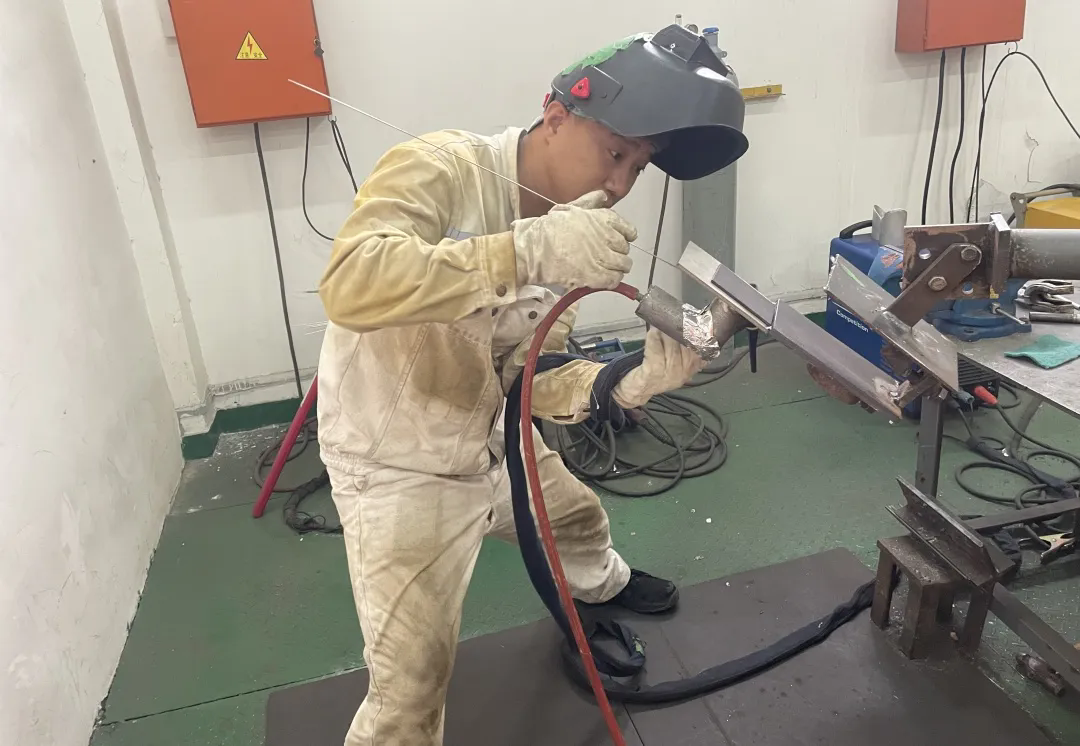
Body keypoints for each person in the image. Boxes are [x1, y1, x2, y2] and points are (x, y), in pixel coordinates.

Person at [316, 25, 750, 746]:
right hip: (397, 463)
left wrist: (628, 382)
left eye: (639, 166)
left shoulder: (573, 229)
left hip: (489, 432)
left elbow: (533, 375)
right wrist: (519, 252)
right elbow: (350, 282)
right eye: (615, 152)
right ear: (555, 116)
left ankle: (601, 587)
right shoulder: (441, 166)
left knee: (578, 521)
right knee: (411, 686)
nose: (620, 185)